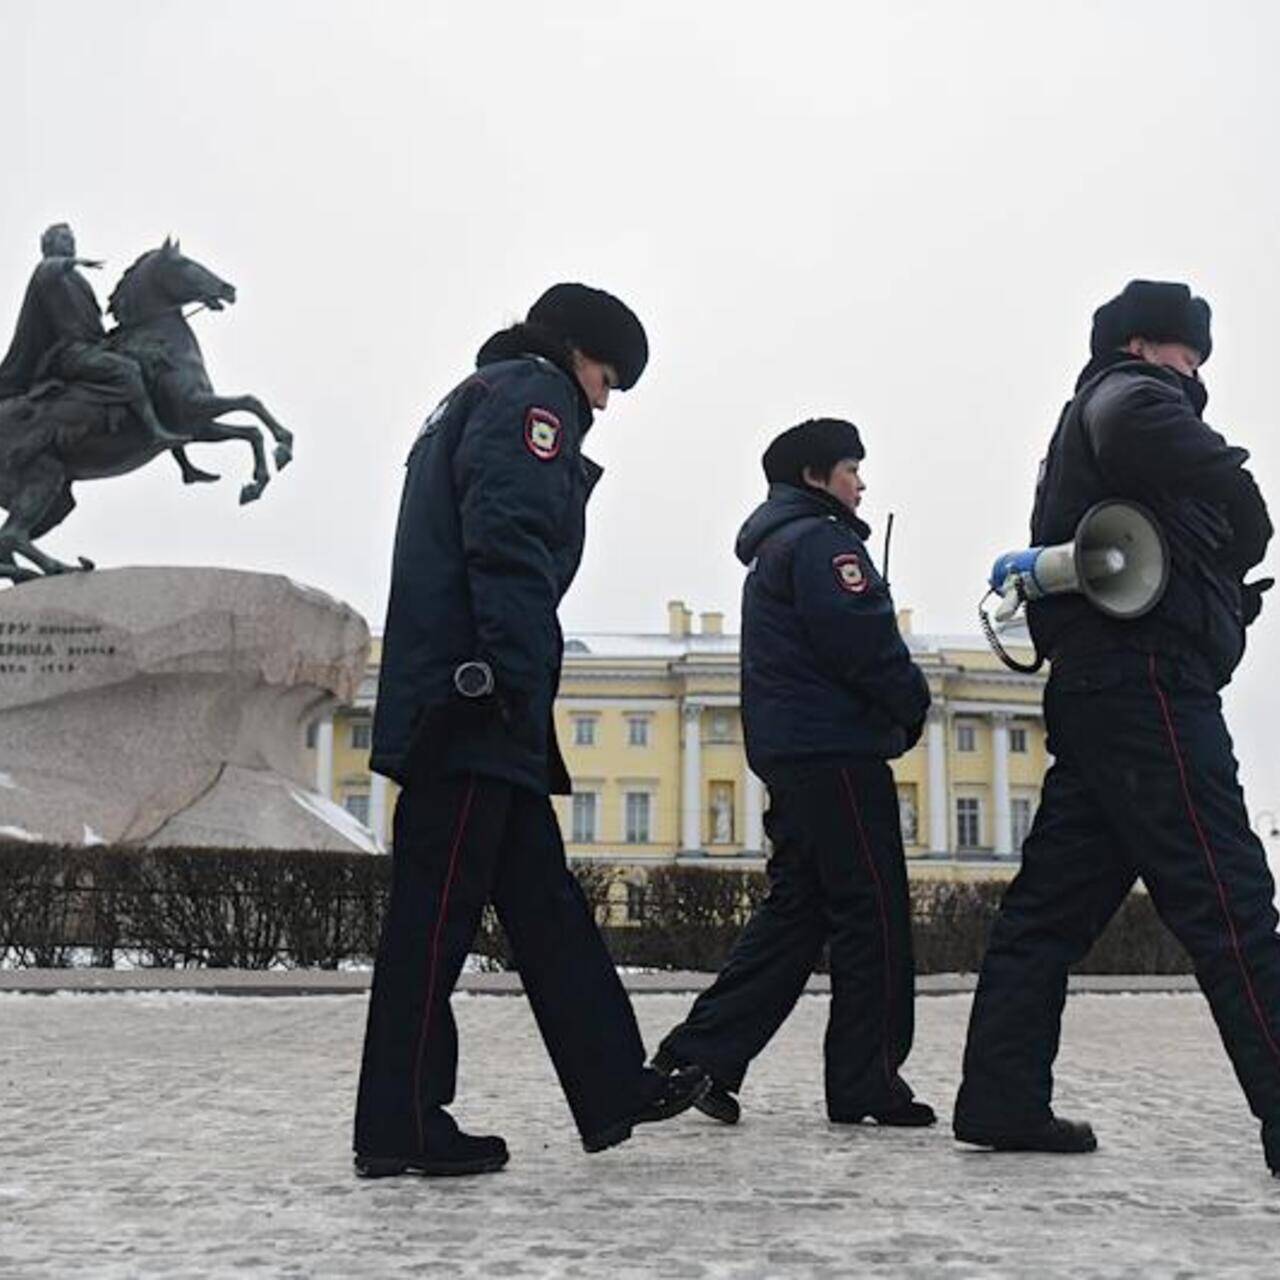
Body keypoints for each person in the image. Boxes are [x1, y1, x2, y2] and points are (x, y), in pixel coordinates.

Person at [354, 283, 708, 1178]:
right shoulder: (529, 398)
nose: (602, 400)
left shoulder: (474, 399)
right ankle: (399, 1126)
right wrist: (514, 682)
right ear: (573, 353)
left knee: (546, 908)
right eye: (605, 376)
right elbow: (507, 542)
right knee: (433, 926)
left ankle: (613, 1083)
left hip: (470, 698)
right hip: (475, 704)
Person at [953, 280, 1280, 1175]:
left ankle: (1001, 1098)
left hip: (1101, 691)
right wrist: (1244, 503)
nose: (1196, 370)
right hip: (1150, 686)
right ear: (1146, 344)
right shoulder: (1131, 393)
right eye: (1188, 352)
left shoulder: (1088, 414)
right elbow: (1155, 432)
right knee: (1230, 896)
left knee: (1044, 916)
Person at [654, 418, 935, 1129]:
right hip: (837, 754)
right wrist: (910, 705)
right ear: (816, 477)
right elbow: (865, 642)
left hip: (795, 757)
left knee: (796, 917)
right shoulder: (823, 543)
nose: (862, 484)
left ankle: (700, 1057)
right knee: (872, 919)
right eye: (851, 470)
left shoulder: (777, 547)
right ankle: (866, 1082)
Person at [0, 223, 184, 445]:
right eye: (64, 238)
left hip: (93, 346)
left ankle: (183, 457)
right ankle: (154, 432)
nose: (71, 243)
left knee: (147, 360)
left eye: (72, 239)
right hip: (71, 353)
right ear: (48, 244)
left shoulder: (78, 280)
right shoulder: (49, 271)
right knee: (128, 370)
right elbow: (49, 269)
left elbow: (91, 324)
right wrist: (71, 262)